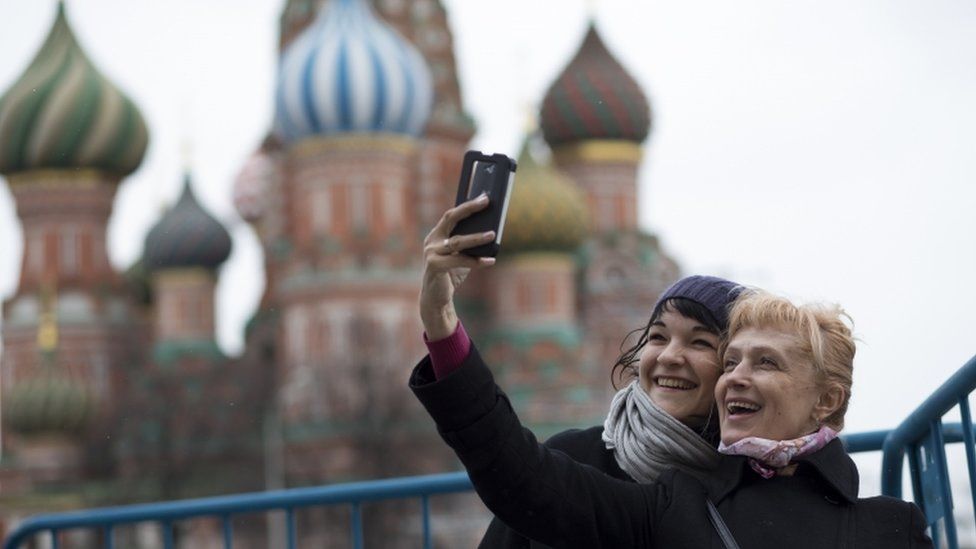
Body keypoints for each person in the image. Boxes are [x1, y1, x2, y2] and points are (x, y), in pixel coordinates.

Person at [412, 199, 932, 548]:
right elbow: (519, 476)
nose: (669, 356)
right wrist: (442, 324)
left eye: (706, 345)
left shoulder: (887, 524)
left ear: (825, 400)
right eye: (657, 336)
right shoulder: (668, 503)